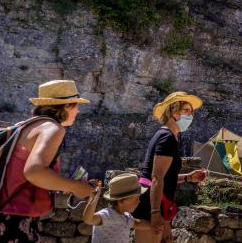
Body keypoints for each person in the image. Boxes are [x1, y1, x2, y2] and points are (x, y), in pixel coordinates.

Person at [0, 80, 94, 242]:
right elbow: (34, 171)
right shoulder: (52, 128)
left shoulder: (27, 126)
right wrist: (76, 186)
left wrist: (62, 184)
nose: (78, 111)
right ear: (66, 106)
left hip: (3, 216)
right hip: (16, 219)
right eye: (76, 105)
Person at [133, 92, 208, 243]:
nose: (190, 115)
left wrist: (188, 177)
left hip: (157, 201)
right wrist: (155, 213)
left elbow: (164, 177)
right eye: (186, 110)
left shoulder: (169, 136)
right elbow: (156, 177)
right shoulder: (167, 137)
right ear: (174, 112)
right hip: (152, 203)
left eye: (191, 111)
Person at [84, 173, 153, 242]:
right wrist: (94, 198)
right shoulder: (107, 215)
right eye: (136, 199)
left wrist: (154, 225)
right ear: (122, 201)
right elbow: (88, 219)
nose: (139, 201)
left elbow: (138, 223)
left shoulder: (127, 217)